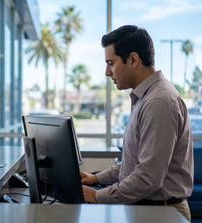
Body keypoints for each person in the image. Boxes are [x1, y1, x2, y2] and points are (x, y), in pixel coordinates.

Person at [81, 25, 193, 221]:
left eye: (111, 63)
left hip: (161, 213)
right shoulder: (145, 99)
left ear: (133, 59)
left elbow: (148, 177)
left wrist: (96, 196)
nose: (107, 72)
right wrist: (96, 179)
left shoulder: (159, 102)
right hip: (148, 209)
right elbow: (134, 164)